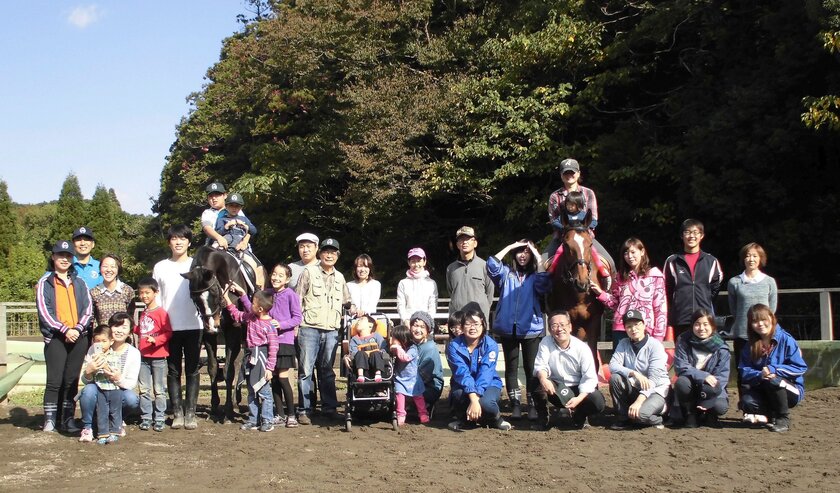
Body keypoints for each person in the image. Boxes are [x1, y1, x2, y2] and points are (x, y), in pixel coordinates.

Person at [487, 239, 552, 420]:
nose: (522, 255)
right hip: (508, 328)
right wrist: (509, 246)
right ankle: (515, 405)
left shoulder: (536, 276)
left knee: (532, 368)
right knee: (511, 368)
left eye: (526, 252)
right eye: (519, 252)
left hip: (531, 329)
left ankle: (532, 405)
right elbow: (491, 264)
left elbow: (546, 283)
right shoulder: (506, 274)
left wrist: (538, 256)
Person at [294, 238, 354, 423]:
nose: (329, 255)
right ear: (320, 254)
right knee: (306, 370)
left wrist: (357, 310)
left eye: (333, 252)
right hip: (309, 328)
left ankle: (329, 408)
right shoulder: (308, 272)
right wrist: (295, 325)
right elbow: (297, 299)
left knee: (327, 370)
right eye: (326, 251)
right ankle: (305, 409)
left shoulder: (340, 277)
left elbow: (347, 301)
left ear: (337, 255)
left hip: (331, 330)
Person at [36, 239, 93, 432]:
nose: (64, 259)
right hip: (56, 338)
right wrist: (64, 329)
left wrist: (77, 329)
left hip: (78, 337)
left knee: (71, 380)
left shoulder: (80, 283)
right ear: (53, 257)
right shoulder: (45, 283)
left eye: (68, 256)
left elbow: (88, 309)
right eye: (60, 255)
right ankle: (50, 419)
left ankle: (68, 418)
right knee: (54, 380)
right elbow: (45, 312)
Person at [237, 263, 302, 428]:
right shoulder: (267, 293)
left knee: (283, 378)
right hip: (267, 345)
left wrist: (281, 324)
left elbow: (297, 318)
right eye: (274, 274)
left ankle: (291, 414)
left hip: (284, 341)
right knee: (271, 379)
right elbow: (254, 309)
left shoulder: (291, 295)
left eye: (281, 275)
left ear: (287, 279)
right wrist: (243, 295)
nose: (276, 277)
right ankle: (278, 414)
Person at [152, 224, 202, 430]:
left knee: (193, 369)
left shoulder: (197, 265)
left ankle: (191, 412)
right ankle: (177, 412)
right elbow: (156, 297)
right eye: (174, 238)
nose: (178, 242)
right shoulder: (161, 266)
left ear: (189, 242)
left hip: (194, 325)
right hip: (169, 326)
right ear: (169, 242)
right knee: (173, 371)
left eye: (183, 238)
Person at [532, 310, 606, 430]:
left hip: (577, 388)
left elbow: (589, 378)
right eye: (554, 326)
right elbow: (541, 365)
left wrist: (579, 399)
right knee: (536, 381)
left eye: (562, 325)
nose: (559, 329)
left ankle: (580, 416)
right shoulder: (545, 342)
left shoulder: (582, 348)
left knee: (597, 401)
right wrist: (544, 379)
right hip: (555, 388)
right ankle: (543, 418)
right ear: (550, 330)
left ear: (570, 327)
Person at [738, 304, 807, 433]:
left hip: (789, 389)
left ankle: (783, 419)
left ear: (772, 318)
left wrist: (774, 370)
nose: (760, 324)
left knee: (774, 381)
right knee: (747, 402)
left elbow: (800, 368)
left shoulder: (786, 340)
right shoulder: (750, 345)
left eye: (763, 319)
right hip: (763, 387)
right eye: (755, 321)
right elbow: (744, 371)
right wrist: (760, 375)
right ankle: (771, 415)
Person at [591, 237, 667, 348]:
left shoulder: (655, 276)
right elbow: (616, 303)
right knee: (621, 364)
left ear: (642, 252)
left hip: (645, 329)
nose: (630, 256)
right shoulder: (620, 277)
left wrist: (659, 336)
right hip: (621, 329)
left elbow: (660, 308)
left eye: (633, 252)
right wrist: (601, 294)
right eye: (626, 253)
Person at [446, 303, 510, 431]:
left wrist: (476, 399)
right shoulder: (453, 346)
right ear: (462, 327)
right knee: (458, 395)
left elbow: (486, 372)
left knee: (486, 403)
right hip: (464, 384)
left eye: (476, 324)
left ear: (483, 325)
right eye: (468, 324)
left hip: (488, 383)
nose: (472, 327)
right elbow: (461, 373)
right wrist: (473, 398)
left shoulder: (491, 344)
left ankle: (496, 419)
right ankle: (465, 421)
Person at [78, 313, 141, 443]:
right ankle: (88, 427)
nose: (119, 330)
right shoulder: (95, 348)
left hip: (118, 390)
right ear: (110, 328)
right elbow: (85, 381)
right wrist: (88, 372)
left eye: (123, 327)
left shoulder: (134, 353)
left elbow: (130, 384)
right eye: (115, 326)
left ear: (129, 332)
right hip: (99, 389)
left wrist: (118, 378)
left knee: (131, 398)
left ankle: (115, 421)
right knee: (88, 390)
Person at [544, 158, 614, 275]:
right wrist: (568, 230)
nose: (569, 175)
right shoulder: (555, 196)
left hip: (585, 238)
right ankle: (542, 290)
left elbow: (594, 218)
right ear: (561, 175)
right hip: (561, 238)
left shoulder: (588, 193)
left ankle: (611, 289)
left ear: (578, 173)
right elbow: (553, 220)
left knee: (610, 262)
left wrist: (580, 229)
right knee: (540, 264)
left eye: (572, 172)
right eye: (566, 173)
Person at [225, 290, 279, 432]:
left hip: (261, 359)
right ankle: (253, 419)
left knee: (264, 392)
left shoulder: (270, 327)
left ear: (260, 309)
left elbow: (273, 349)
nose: (250, 305)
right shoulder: (251, 317)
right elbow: (236, 315)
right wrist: (228, 300)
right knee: (251, 391)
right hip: (250, 357)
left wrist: (269, 368)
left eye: (253, 303)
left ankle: (267, 419)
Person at [609, 309, 670, 430]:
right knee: (615, 378)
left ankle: (660, 417)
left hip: (656, 390)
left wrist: (638, 402)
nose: (633, 329)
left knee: (640, 416)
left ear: (644, 325)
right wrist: (633, 373)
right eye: (629, 326)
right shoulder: (623, 343)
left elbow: (654, 378)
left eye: (636, 325)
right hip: (636, 386)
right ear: (625, 329)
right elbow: (613, 365)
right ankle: (623, 418)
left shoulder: (655, 345)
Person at [663, 219, 723, 339]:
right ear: (682, 235)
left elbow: (715, 288)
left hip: (704, 320)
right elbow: (666, 290)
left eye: (696, 232)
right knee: (682, 356)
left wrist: (703, 301)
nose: (692, 236)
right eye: (687, 232)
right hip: (681, 319)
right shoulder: (672, 261)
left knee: (704, 356)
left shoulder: (711, 261)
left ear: (702, 236)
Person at [672, 309, 730, 428]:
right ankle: (690, 413)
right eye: (697, 324)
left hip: (711, 388)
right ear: (692, 326)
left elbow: (722, 375)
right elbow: (681, 366)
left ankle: (710, 414)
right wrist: (703, 376)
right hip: (691, 385)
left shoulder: (722, 347)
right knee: (681, 382)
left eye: (705, 324)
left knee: (720, 407)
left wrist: (709, 391)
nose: (701, 328)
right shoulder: (683, 341)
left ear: (712, 326)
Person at [727, 243, 778, 376]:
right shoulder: (734, 282)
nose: (751, 259)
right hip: (742, 334)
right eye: (748, 256)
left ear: (761, 258)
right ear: (743, 259)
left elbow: (772, 308)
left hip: (764, 334)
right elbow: (734, 308)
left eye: (755, 256)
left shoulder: (769, 281)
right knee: (742, 370)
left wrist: (764, 326)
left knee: (765, 369)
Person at [135, 278, 172, 432]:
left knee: (159, 389)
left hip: (158, 356)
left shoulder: (161, 313)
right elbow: (142, 330)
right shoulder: (144, 312)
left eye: (147, 292)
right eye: (141, 293)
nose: (144, 296)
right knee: (144, 389)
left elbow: (168, 332)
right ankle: (146, 417)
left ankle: (159, 417)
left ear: (155, 293)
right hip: (143, 357)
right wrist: (133, 328)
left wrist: (156, 340)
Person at [213, 193, 265, 289]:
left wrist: (246, 226)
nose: (234, 208)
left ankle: (257, 287)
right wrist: (226, 226)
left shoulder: (244, 219)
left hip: (240, 245)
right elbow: (218, 232)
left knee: (253, 264)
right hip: (226, 243)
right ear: (226, 206)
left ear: (240, 208)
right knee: (213, 250)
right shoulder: (222, 219)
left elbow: (254, 231)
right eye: (231, 206)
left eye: (237, 206)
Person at [446, 226, 494, 321]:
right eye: (461, 240)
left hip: (479, 321)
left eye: (468, 239)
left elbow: (490, 293)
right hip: (458, 321)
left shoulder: (485, 266)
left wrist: (483, 310)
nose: (465, 242)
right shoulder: (451, 268)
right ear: (457, 244)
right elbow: (451, 292)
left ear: (475, 243)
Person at [390, 324, 429, 426]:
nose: (391, 340)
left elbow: (405, 358)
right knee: (399, 395)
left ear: (401, 338)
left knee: (418, 397)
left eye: (393, 338)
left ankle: (423, 414)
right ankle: (401, 415)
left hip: (413, 379)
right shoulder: (398, 347)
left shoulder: (413, 348)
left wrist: (398, 349)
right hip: (400, 378)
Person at [409, 311, 444, 413]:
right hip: (412, 381)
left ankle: (427, 404)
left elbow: (425, 376)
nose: (418, 330)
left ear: (428, 330)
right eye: (415, 326)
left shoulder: (430, 347)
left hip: (428, 386)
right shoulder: (410, 343)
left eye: (422, 327)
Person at [89, 253, 136, 326]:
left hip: (122, 335)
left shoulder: (128, 291)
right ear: (100, 268)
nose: (108, 270)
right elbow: (93, 320)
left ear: (118, 269)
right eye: (105, 266)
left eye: (113, 267)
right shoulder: (94, 292)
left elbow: (131, 318)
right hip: (103, 336)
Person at [397, 247, 438, 326]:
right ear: (409, 263)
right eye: (413, 261)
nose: (416, 264)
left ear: (424, 262)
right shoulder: (403, 283)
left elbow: (433, 305)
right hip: (407, 324)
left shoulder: (431, 283)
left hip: (426, 324)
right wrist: (406, 320)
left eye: (419, 261)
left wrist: (426, 322)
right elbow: (400, 305)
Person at [349, 314, 389, 383]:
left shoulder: (376, 336)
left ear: (370, 325)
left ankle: (378, 374)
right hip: (361, 360)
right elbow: (353, 351)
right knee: (360, 353)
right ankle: (360, 375)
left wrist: (382, 352)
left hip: (375, 358)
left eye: (361, 320)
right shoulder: (354, 339)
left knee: (376, 353)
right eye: (358, 320)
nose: (358, 322)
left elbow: (383, 347)